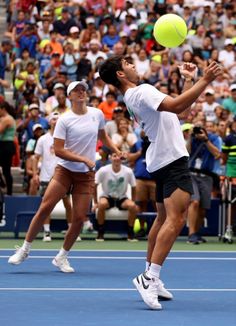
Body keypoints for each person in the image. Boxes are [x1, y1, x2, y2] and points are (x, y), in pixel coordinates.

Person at [99, 55, 222, 310]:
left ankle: (149, 274)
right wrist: (205, 79)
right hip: (171, 158)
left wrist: (188, 81)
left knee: (163, 219)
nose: (134, 66)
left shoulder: (133, 97)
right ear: (121, 75)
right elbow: (177, 106)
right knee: (177, 220)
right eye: (128, 64)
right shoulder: (142, 91)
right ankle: (150, 278)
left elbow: (182, 111)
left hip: (160, 158)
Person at [8, 80, 122, 273]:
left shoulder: (97, 114)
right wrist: (83, 159)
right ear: (69, 97)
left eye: (83, 89)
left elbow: (103, 138)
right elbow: (59, 151)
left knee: (79, 218)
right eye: (76, 90)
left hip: (85, 175)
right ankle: (25, 249)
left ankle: (61, 257)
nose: (81, 92)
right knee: (45, 208)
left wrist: (117, 150)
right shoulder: (64, 120)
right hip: (65, 171)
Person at [31, 112, 72, 242]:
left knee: (68, 204)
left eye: (57, 119)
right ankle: (47, 232)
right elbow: (36, 157)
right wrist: (35, 174)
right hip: (45, 177)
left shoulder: (66, 138)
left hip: (63, 177)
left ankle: (71, 231)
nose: (55, 121)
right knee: (46, 206)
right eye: (53, 119)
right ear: (49, 122)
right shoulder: (42, 139)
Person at [94, 152, 137, 242]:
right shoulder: (103, 170)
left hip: (121, 197)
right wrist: (95, 203)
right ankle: (100, 232)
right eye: (114, 156)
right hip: (107, 196)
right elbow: (94, 185)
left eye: (119, 156)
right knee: (101, 204)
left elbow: (134, 187)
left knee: (133, 206)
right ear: (110, 158)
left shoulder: (128, 171)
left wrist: (133, 201)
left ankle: (130, 233)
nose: (117, 158)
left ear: (122, 159)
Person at [0, 101, 16, 195]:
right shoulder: (3, 118)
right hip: (3, 145)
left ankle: (9, 192)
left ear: (3, 109)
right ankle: (2, 181)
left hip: (6, 145)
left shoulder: (7, 119)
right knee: (6, 170)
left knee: (6, 170)